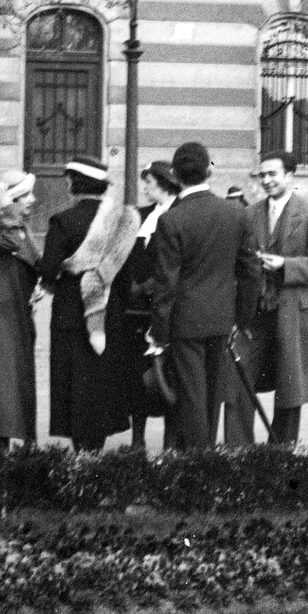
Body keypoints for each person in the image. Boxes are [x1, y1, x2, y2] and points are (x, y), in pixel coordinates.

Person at [150, 141, 263, 450]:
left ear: (174, 174)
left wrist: (159, 333)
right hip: (222, 319)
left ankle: (198, 464)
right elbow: (252, 272)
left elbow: (165, 285)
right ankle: (207, 461)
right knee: (213, 396)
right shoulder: (236, 214)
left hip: (184, 323)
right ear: (208, 172)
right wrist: (242, 318)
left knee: (191, 396)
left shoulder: (171, 220)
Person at [227, 150, 308, 446]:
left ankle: (280, 454)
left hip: (292, 312)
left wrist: (285, 265)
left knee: (289, 387)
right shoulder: (249, 214)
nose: (267, 180)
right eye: (262, 175)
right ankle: (237, 454)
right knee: (238, 381)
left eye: (273, 174)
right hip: (254, 315)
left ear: (289, 176)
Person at [37, 155, 136, 451]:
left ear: (72, 183)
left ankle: (82, 455)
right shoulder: (121, 221)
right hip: (109, 315)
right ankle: (97, 452)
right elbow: (125, 274)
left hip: (70, 315)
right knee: (102, 388)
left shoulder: (62, 221)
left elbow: (48, 269)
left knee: (75, 389)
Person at [114, 159, 182, 449]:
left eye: (149, 183)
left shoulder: (179, 215)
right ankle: (137, 440)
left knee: (164, 375)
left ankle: (169, 443)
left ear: (165, 185)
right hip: (134, 310)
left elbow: (175, 266)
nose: (144, 188)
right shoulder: (140, 215)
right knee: (133, 376)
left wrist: (145, 287)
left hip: (164, 309)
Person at [0, 168, 41, 453]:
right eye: (25, 195)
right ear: (10, 199)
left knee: (18, 380)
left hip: (18, 313)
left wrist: (37, 284)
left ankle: (18, 445)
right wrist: (7, 210)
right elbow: (16, 245)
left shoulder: (20, 226)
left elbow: (34, 261)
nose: (33, 200)